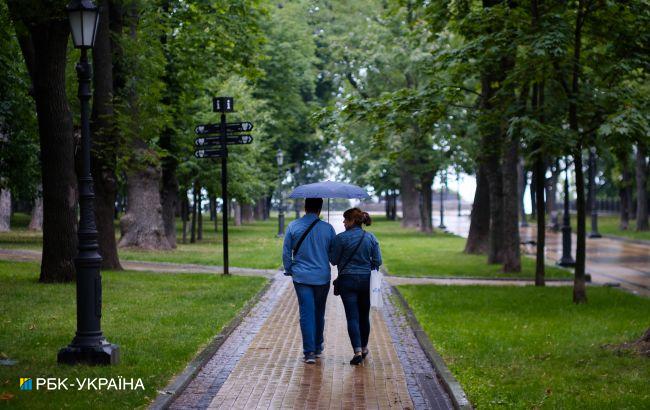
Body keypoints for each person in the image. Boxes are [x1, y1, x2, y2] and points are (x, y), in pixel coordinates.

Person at [282, 197, 336, 364]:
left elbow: (286, 253)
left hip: (301, 277)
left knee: (306, 313)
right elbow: (333, 256)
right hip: (321, 277)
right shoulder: (328, 229)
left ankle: (309, 352)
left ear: (305, 207)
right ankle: (318, 346)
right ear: (320, 209)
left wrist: (290, 269)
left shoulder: (293, 226)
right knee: (319, 313)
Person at [329, 207, 382, 365]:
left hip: (347, 281)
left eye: (345, 219)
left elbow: (334, 260)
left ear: (353, 221)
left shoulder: (340, 238)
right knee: (364, 316)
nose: (343, 222)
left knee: (352, 317)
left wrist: (332, 248)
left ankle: (357, 350)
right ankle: (365, 348)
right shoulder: (371, 238)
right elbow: (378, 261)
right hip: (366, 281)